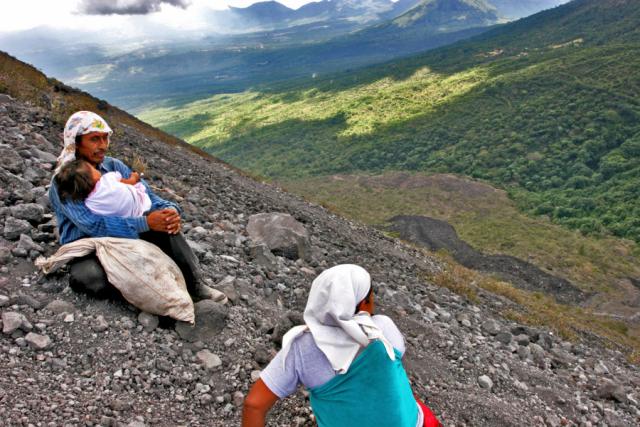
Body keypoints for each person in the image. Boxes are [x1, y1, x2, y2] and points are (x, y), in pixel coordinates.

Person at [242, 264, 441, 427]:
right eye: (370, 297)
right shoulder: (382, 329)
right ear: (363, 303)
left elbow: (253, 405)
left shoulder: (302, 348)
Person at [49, 110, 217, 300]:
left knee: (167, 225)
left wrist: (170, 211)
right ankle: (150, 296)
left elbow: (149, 196)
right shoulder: (65, 180)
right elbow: (93, 225)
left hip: (127, 234)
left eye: (105, 138)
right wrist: (146, 223)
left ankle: (195, 286)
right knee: (91, 278)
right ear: (76, 143)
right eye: (94, 139)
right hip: (88, 244)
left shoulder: (114, 166)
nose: (103, 146)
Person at [54, 159, 151, 218]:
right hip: (141, 203)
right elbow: (130, 182)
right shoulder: (108, 178)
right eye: (92, 169)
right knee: (137, 187)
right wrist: (134, 177)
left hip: (130, 218)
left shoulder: (90, 204)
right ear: (92, 177)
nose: (96, 169)